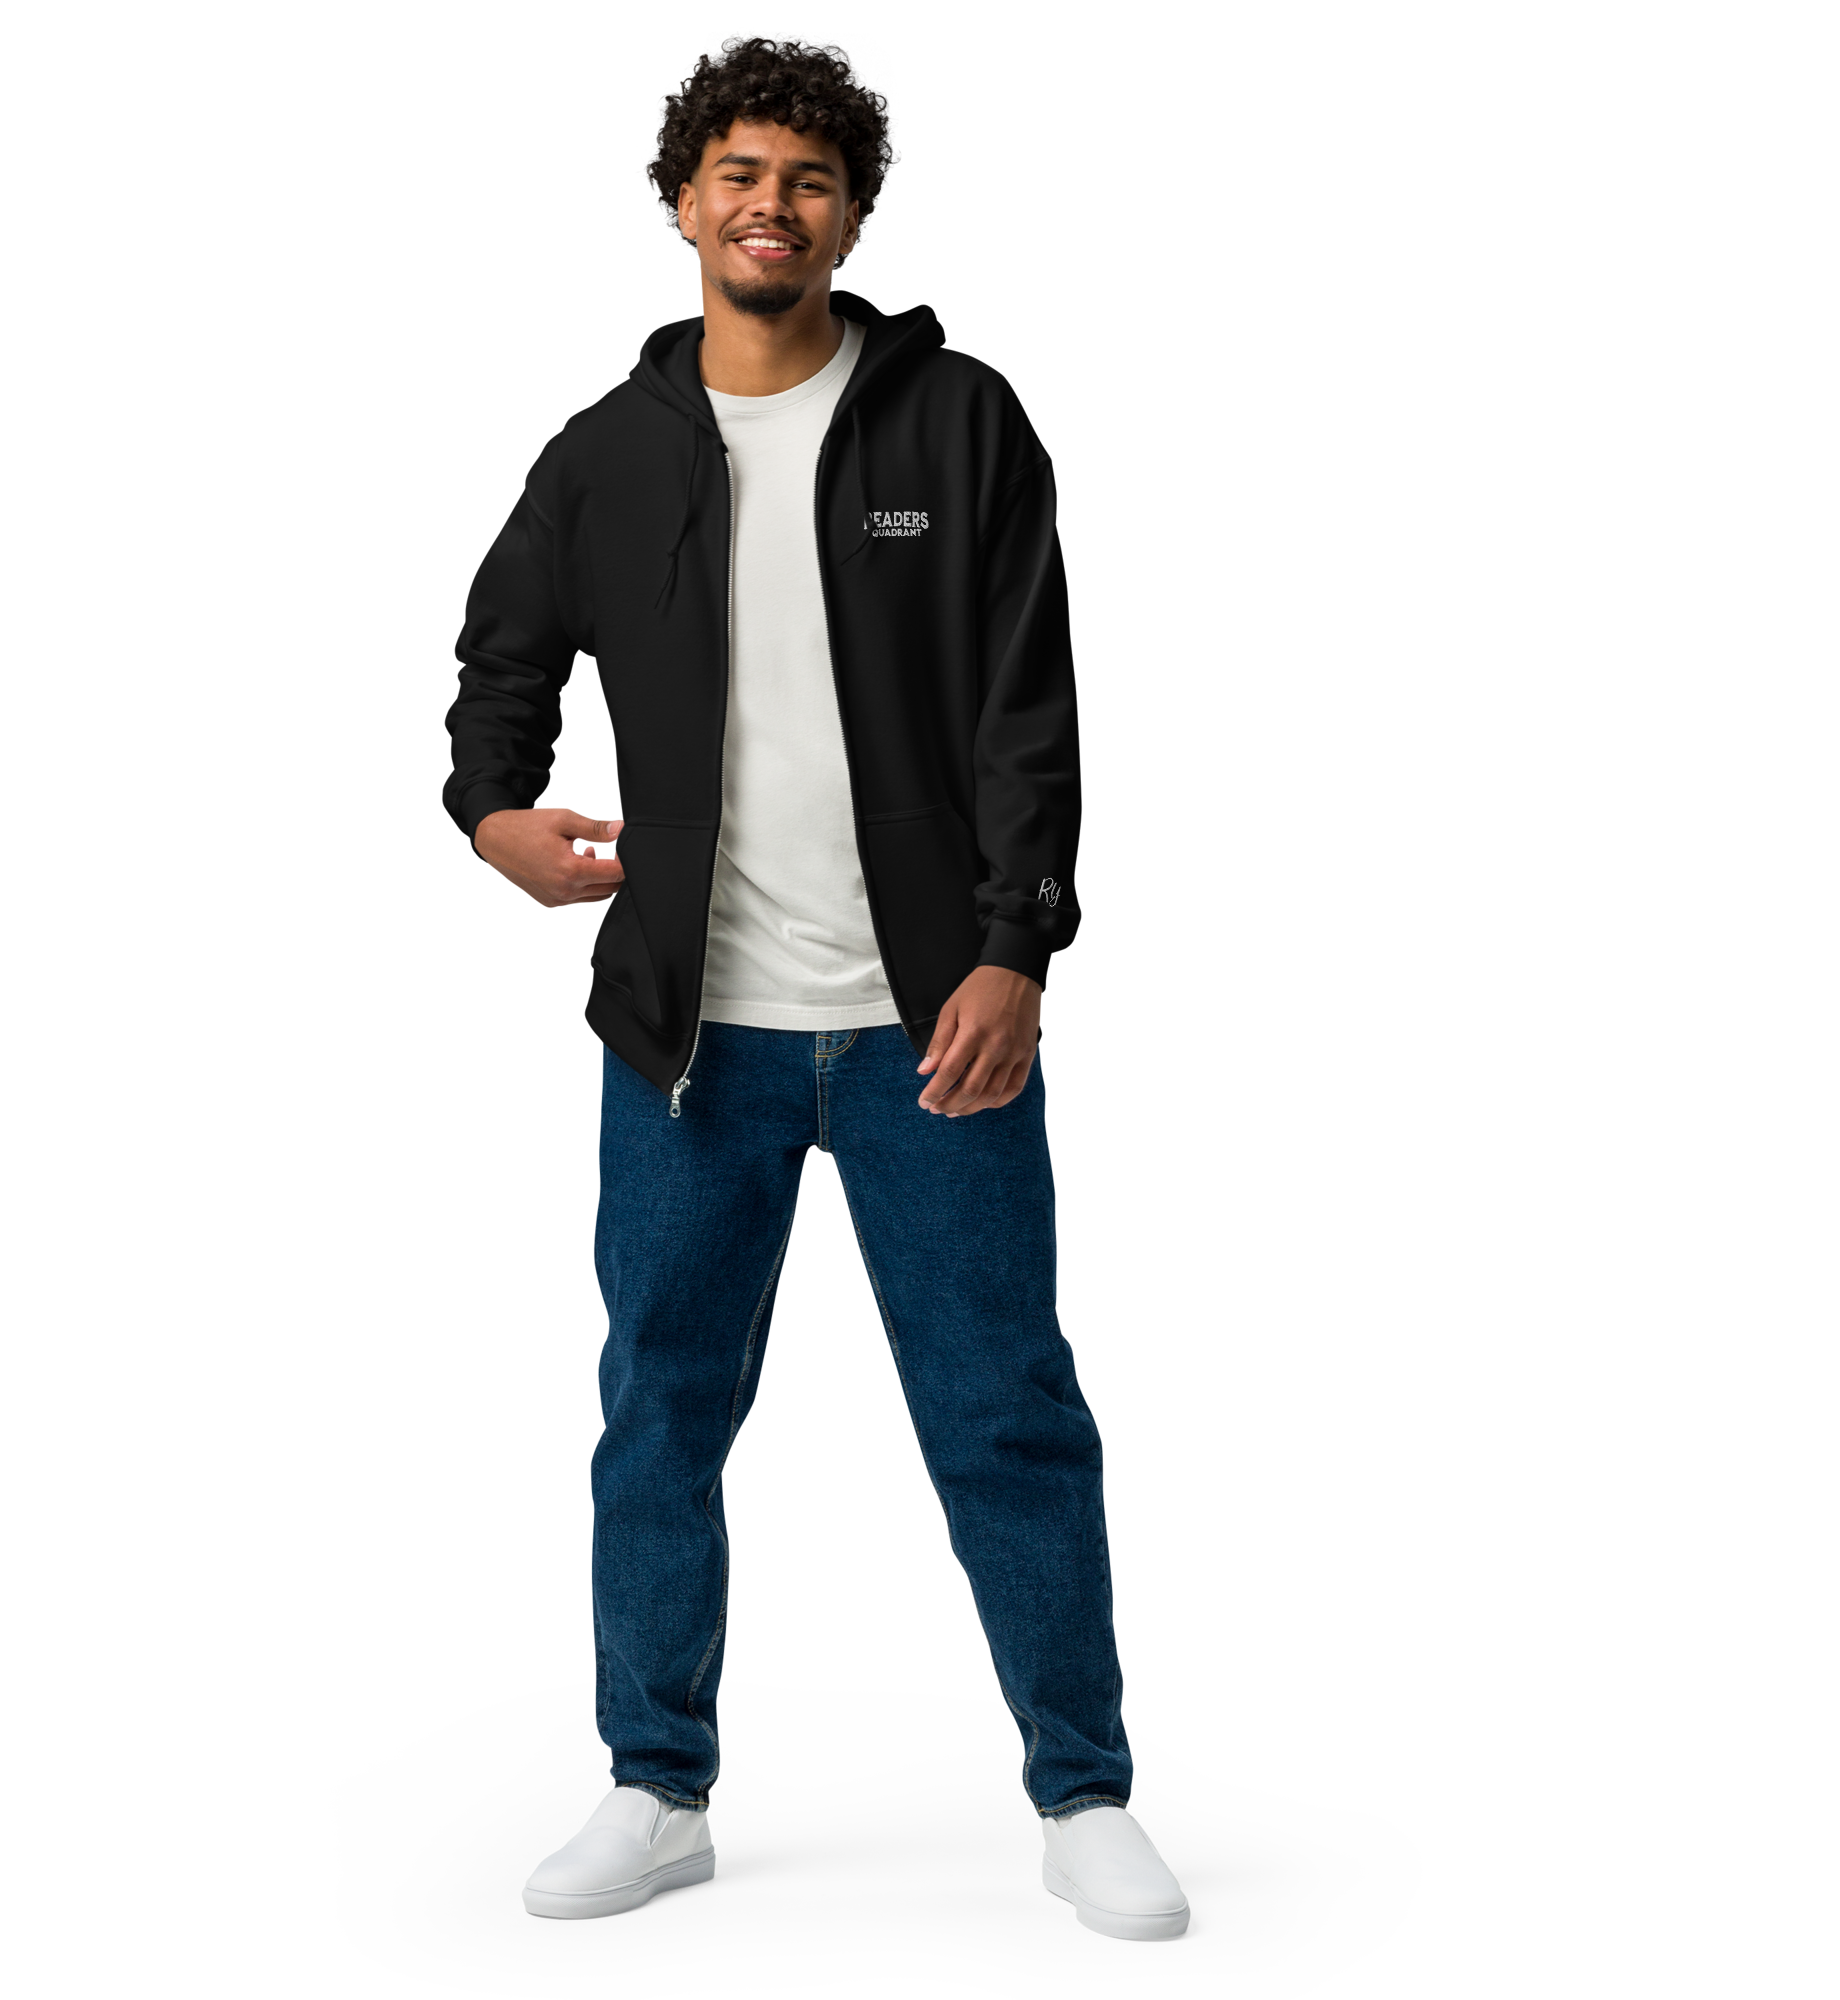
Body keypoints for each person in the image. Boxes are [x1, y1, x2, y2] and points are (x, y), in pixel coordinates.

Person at [444, 16, 1189, 1942]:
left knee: (1007, 1410)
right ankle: (654, 1784)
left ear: (856, 219)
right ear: (683, 203)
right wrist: (494, 815)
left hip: (932, 1025)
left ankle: (1085, 1794)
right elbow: (501, 663)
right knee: (657, 1410)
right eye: (741, 175)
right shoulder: (605, 451)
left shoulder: (961, 420)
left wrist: (1019, 946)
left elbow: (1034, 714)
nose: (772, 205)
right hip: (684, 1035)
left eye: (812, 180)